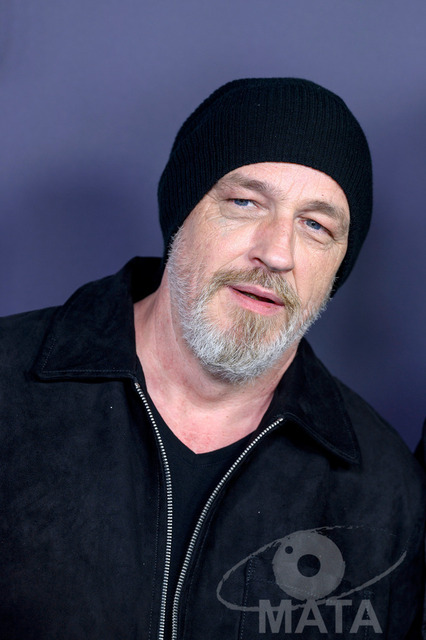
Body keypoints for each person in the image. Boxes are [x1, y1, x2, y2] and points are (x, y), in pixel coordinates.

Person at [0, 78, 424, 640]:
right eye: (245, 203)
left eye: (315, 225)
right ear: (182, 214)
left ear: (338, 267)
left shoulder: (385, 491)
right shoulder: (8, 386)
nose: (276, 253)